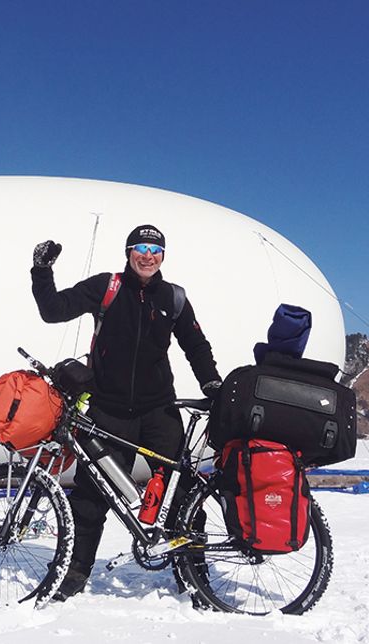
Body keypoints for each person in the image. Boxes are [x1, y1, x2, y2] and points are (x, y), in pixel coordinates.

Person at [31, 224, 222, 600]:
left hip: (159, 411)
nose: (147, 255)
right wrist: (42, 271)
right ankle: (74, 573)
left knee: (181, 494)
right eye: (140, 247)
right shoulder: (108, 287)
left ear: (163, 256)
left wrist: (211, 383)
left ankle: (194, 575)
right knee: (89, 498)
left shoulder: (174, 298)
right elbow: (54, 311)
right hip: (109, 411)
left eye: (155, 248)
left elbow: (196, 345)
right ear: (128, 252)